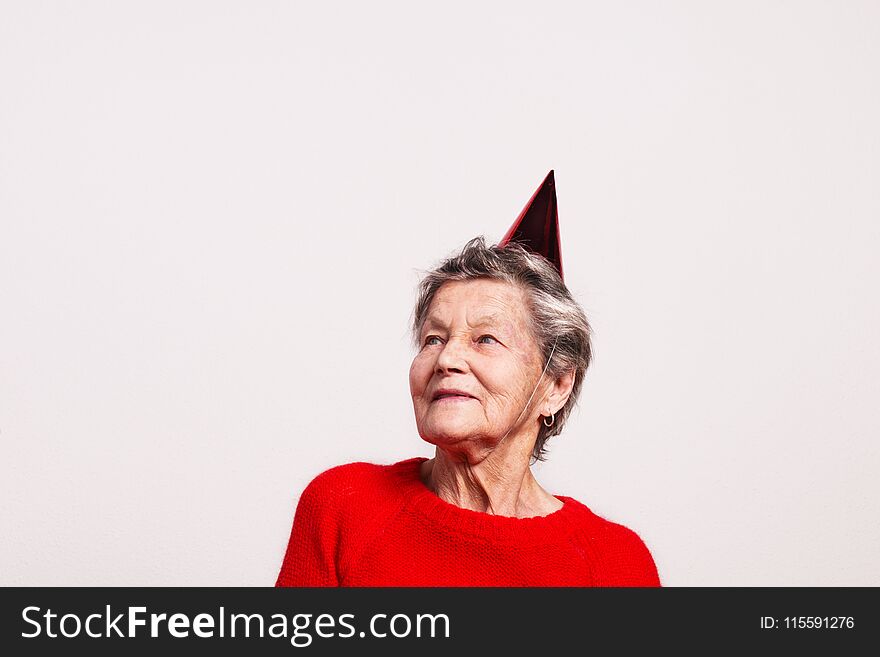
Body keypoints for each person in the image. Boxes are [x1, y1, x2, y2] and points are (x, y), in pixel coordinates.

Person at [275, 171, 661, 586]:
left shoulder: (619, 564)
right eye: (433, 338)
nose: (447, 358)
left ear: (556, 386)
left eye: (486, 339)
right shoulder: (343, 505)